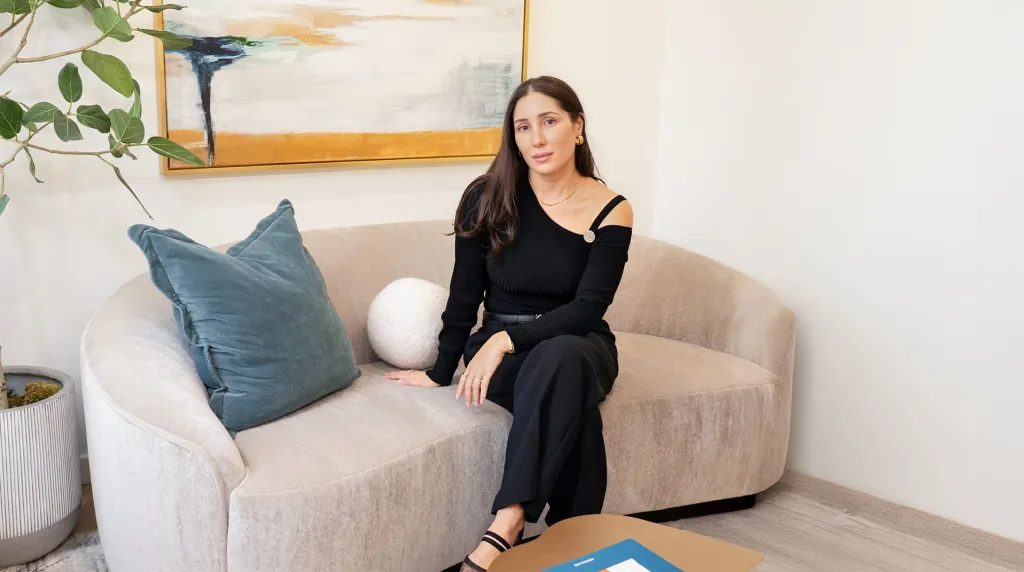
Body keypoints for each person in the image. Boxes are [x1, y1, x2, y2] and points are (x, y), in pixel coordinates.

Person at [384, 76, 633, 572]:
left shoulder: (612, 209)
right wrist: (442, 368)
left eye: (549, 122)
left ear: (577, 127)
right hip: (507, 351)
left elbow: (587, 310)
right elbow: (463, 293)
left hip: (578, 342)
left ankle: (509, 519)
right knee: (570, 395)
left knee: (562, 357)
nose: (536, 139)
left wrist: (506, 339)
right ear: (512, 137)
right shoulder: (487, 197)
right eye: (523, 127)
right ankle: (574, 539)